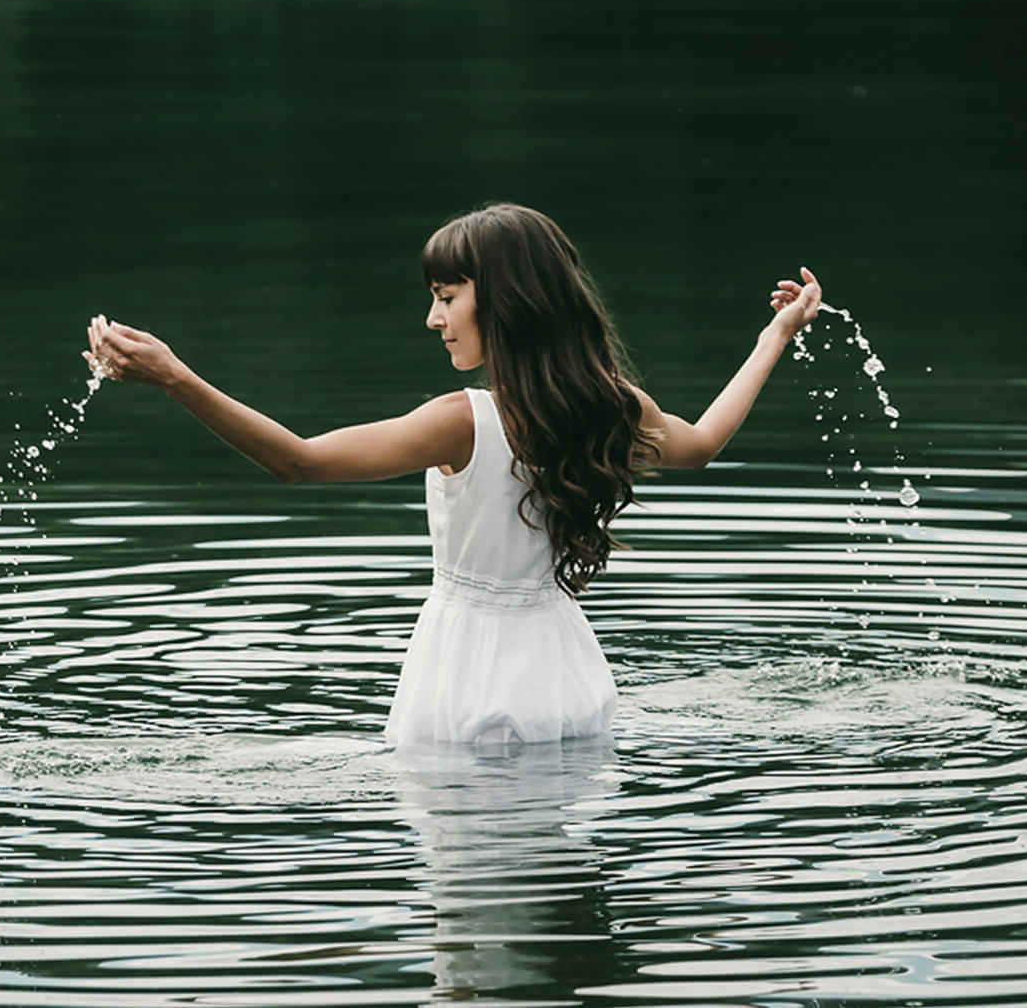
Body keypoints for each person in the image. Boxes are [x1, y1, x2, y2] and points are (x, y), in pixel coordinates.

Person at [83, 203, 822, 748]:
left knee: (467, 935)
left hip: (465, 684)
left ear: (506, 301)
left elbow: (297, 461)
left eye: (445, 298)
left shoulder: (461, 420)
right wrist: (774, 336)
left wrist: (177, 378)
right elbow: (704, 445)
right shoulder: (607, 406)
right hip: (567, 686)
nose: (433, 320)